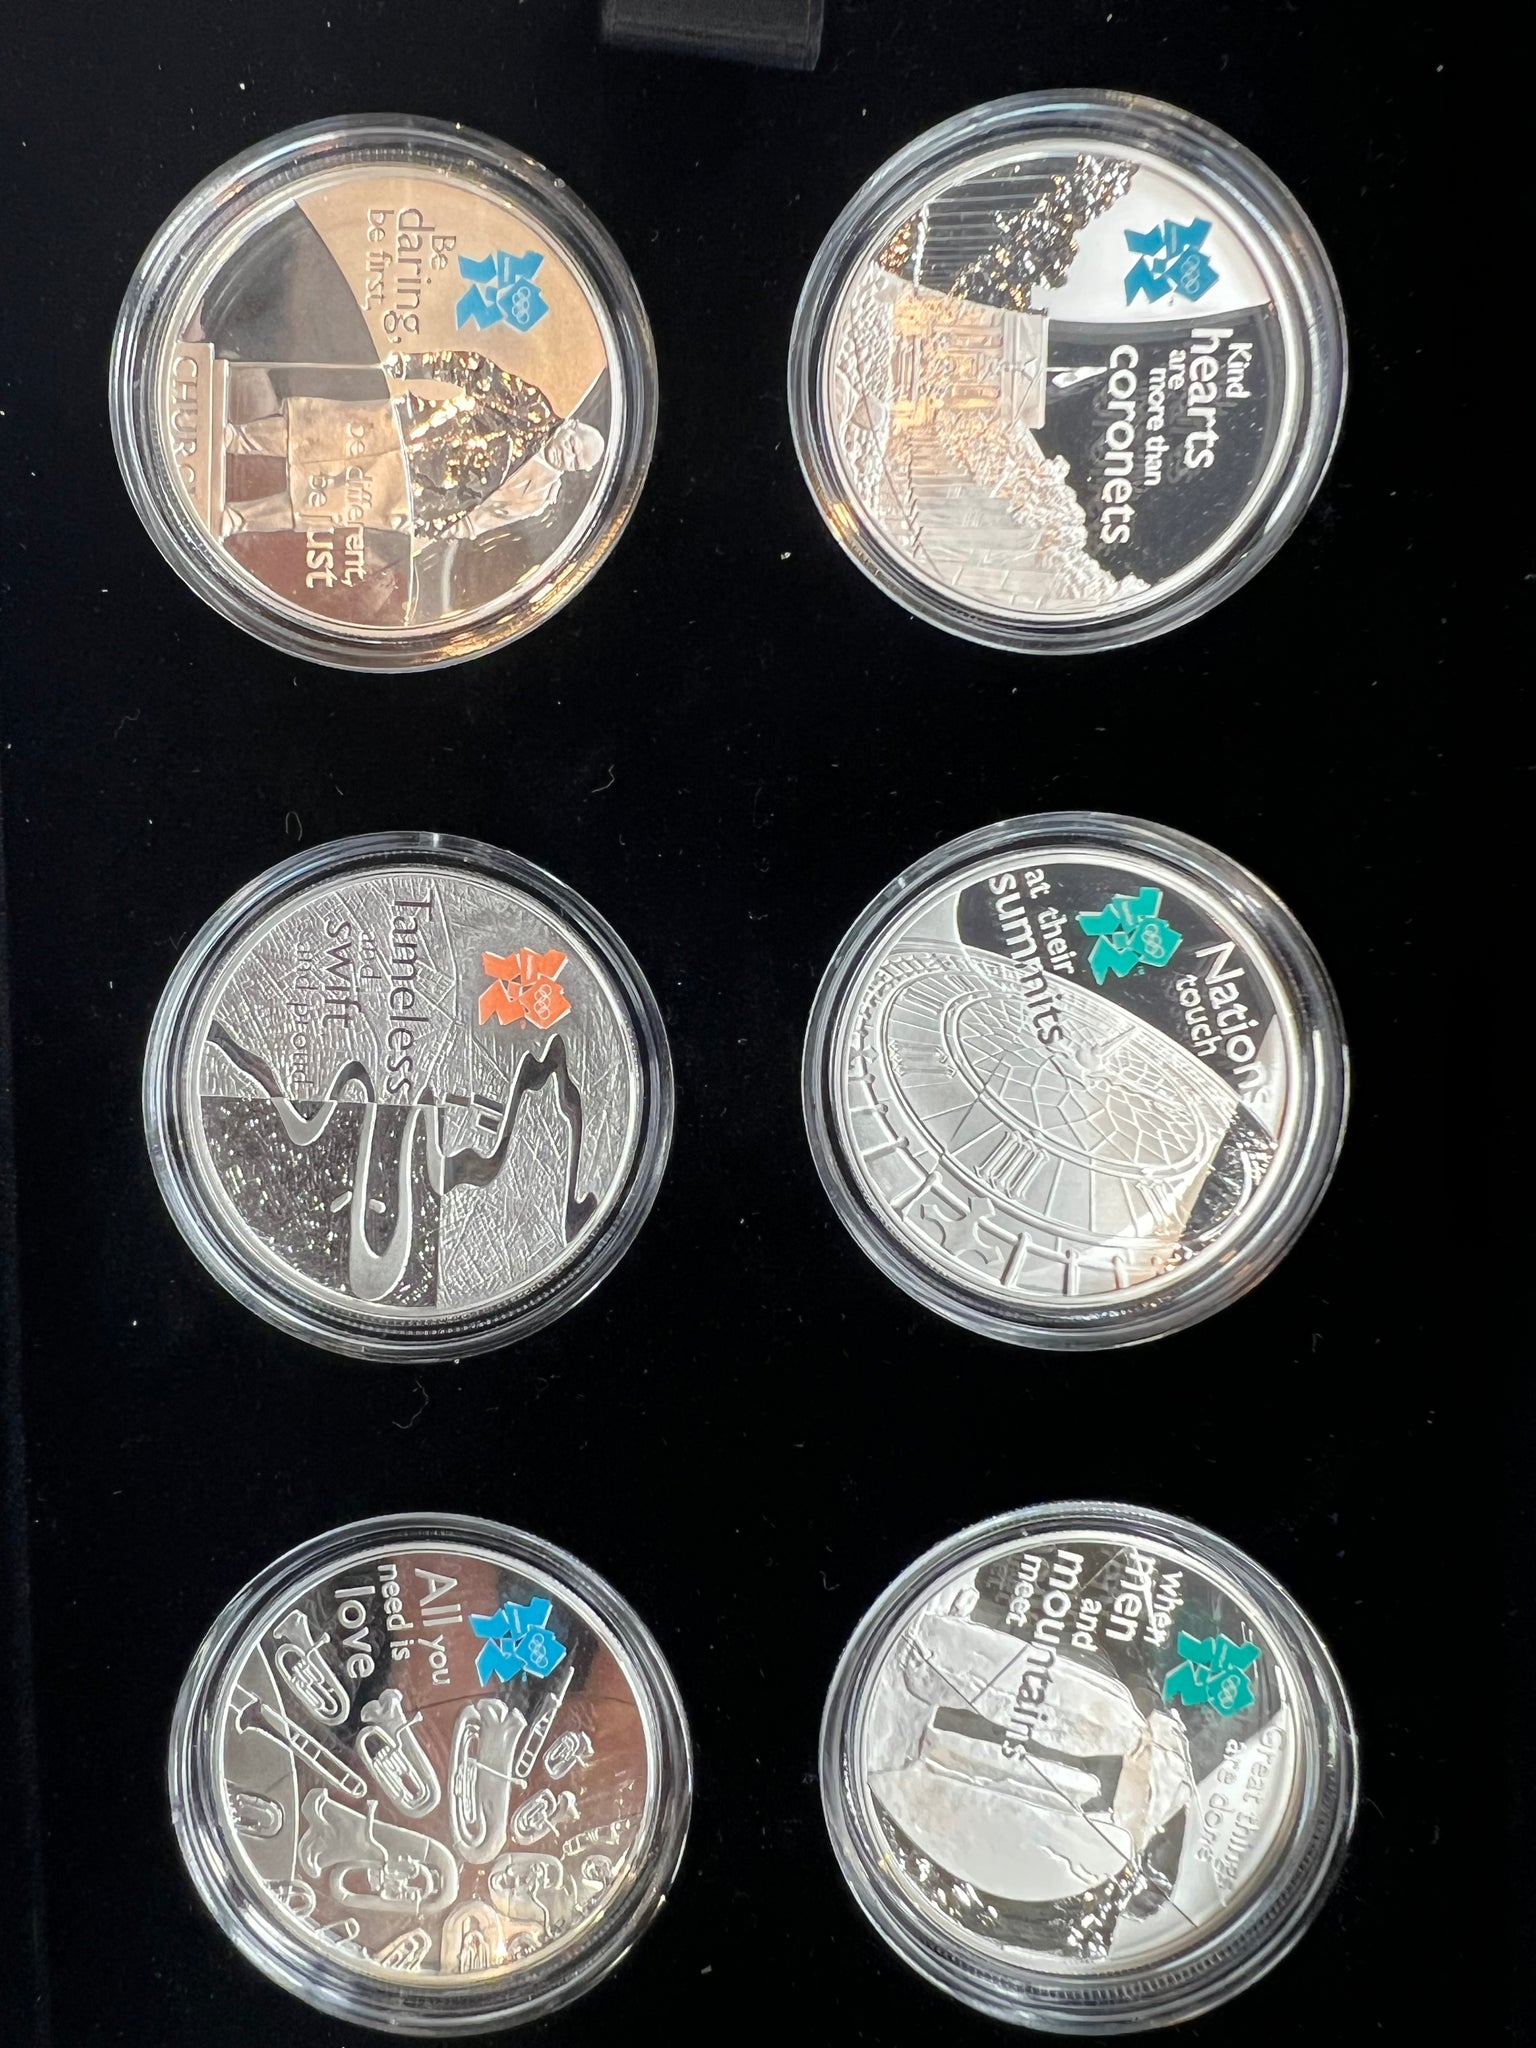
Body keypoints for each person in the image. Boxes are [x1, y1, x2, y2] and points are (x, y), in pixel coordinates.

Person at [219, 348, 604, 548]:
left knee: (324, 504)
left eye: (575, 461)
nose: (567, 455)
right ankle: (234, 439)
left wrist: (428, 526)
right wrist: (413, 365)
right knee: (318, 430)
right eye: (573, 445)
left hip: (415, 495)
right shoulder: (531, 407)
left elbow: (479, 523)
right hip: (409, 428)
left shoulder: (538, 496)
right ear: (569, 426)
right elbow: (474, 370)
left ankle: (238, 520)